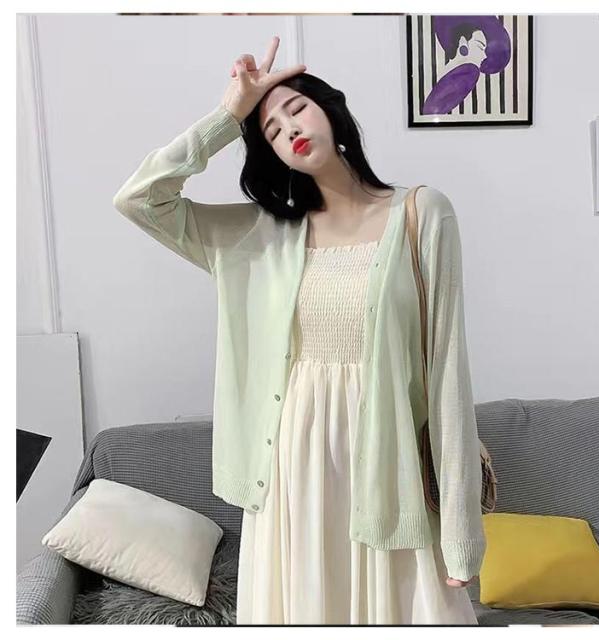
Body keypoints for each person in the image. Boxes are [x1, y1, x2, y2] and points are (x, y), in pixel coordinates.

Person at [113, 35, 485, 625]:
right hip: (291, 473)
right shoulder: (255, 237)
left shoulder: (421, 213)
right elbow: (138, 200)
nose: (289, 129)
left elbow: (447, 376)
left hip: (387, 469)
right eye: (271, 131)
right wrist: (227, 116)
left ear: (330, 111)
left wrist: (462, 531)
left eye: (296, 109)